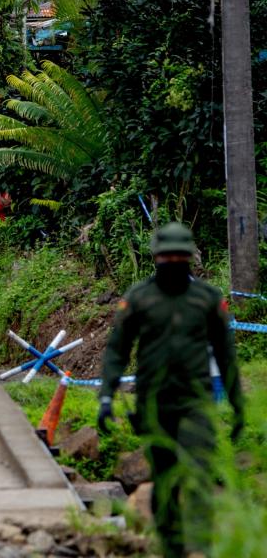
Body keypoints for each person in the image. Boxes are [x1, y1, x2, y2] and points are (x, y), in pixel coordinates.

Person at [98, 222, 243, 558]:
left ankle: (199, 547)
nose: (174, 261)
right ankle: (171, 547)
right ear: (156, 257)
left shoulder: (207, 299)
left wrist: (237, 405)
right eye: (168, 255)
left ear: (190, 257)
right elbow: (117, 351)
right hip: (154, 403)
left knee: (198, 474)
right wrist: (105, 396)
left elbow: (226, 356)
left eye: (181, 255)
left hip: (196, 401)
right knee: (165, 481)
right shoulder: (139, 298)